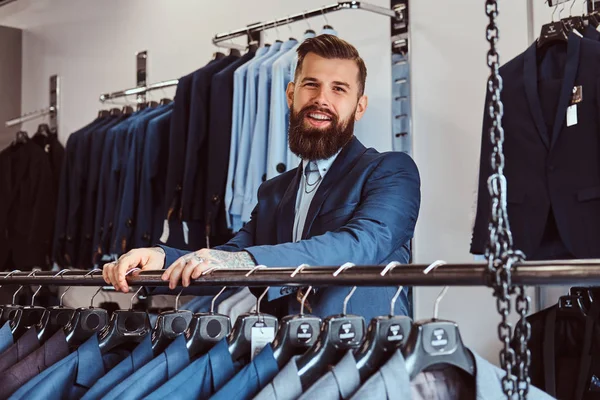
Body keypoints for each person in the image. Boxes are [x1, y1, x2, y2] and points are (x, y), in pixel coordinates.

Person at [103, 34, 421, 320]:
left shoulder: (392, 171)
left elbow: (359, 243)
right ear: (291, 95)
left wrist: (241, 260)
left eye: (339, 89)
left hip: (366, 355)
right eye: (311, 84)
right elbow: (229, 256)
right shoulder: (274, 191)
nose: (322, 99)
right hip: (286, 354)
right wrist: (160, 257)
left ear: (359, 107)